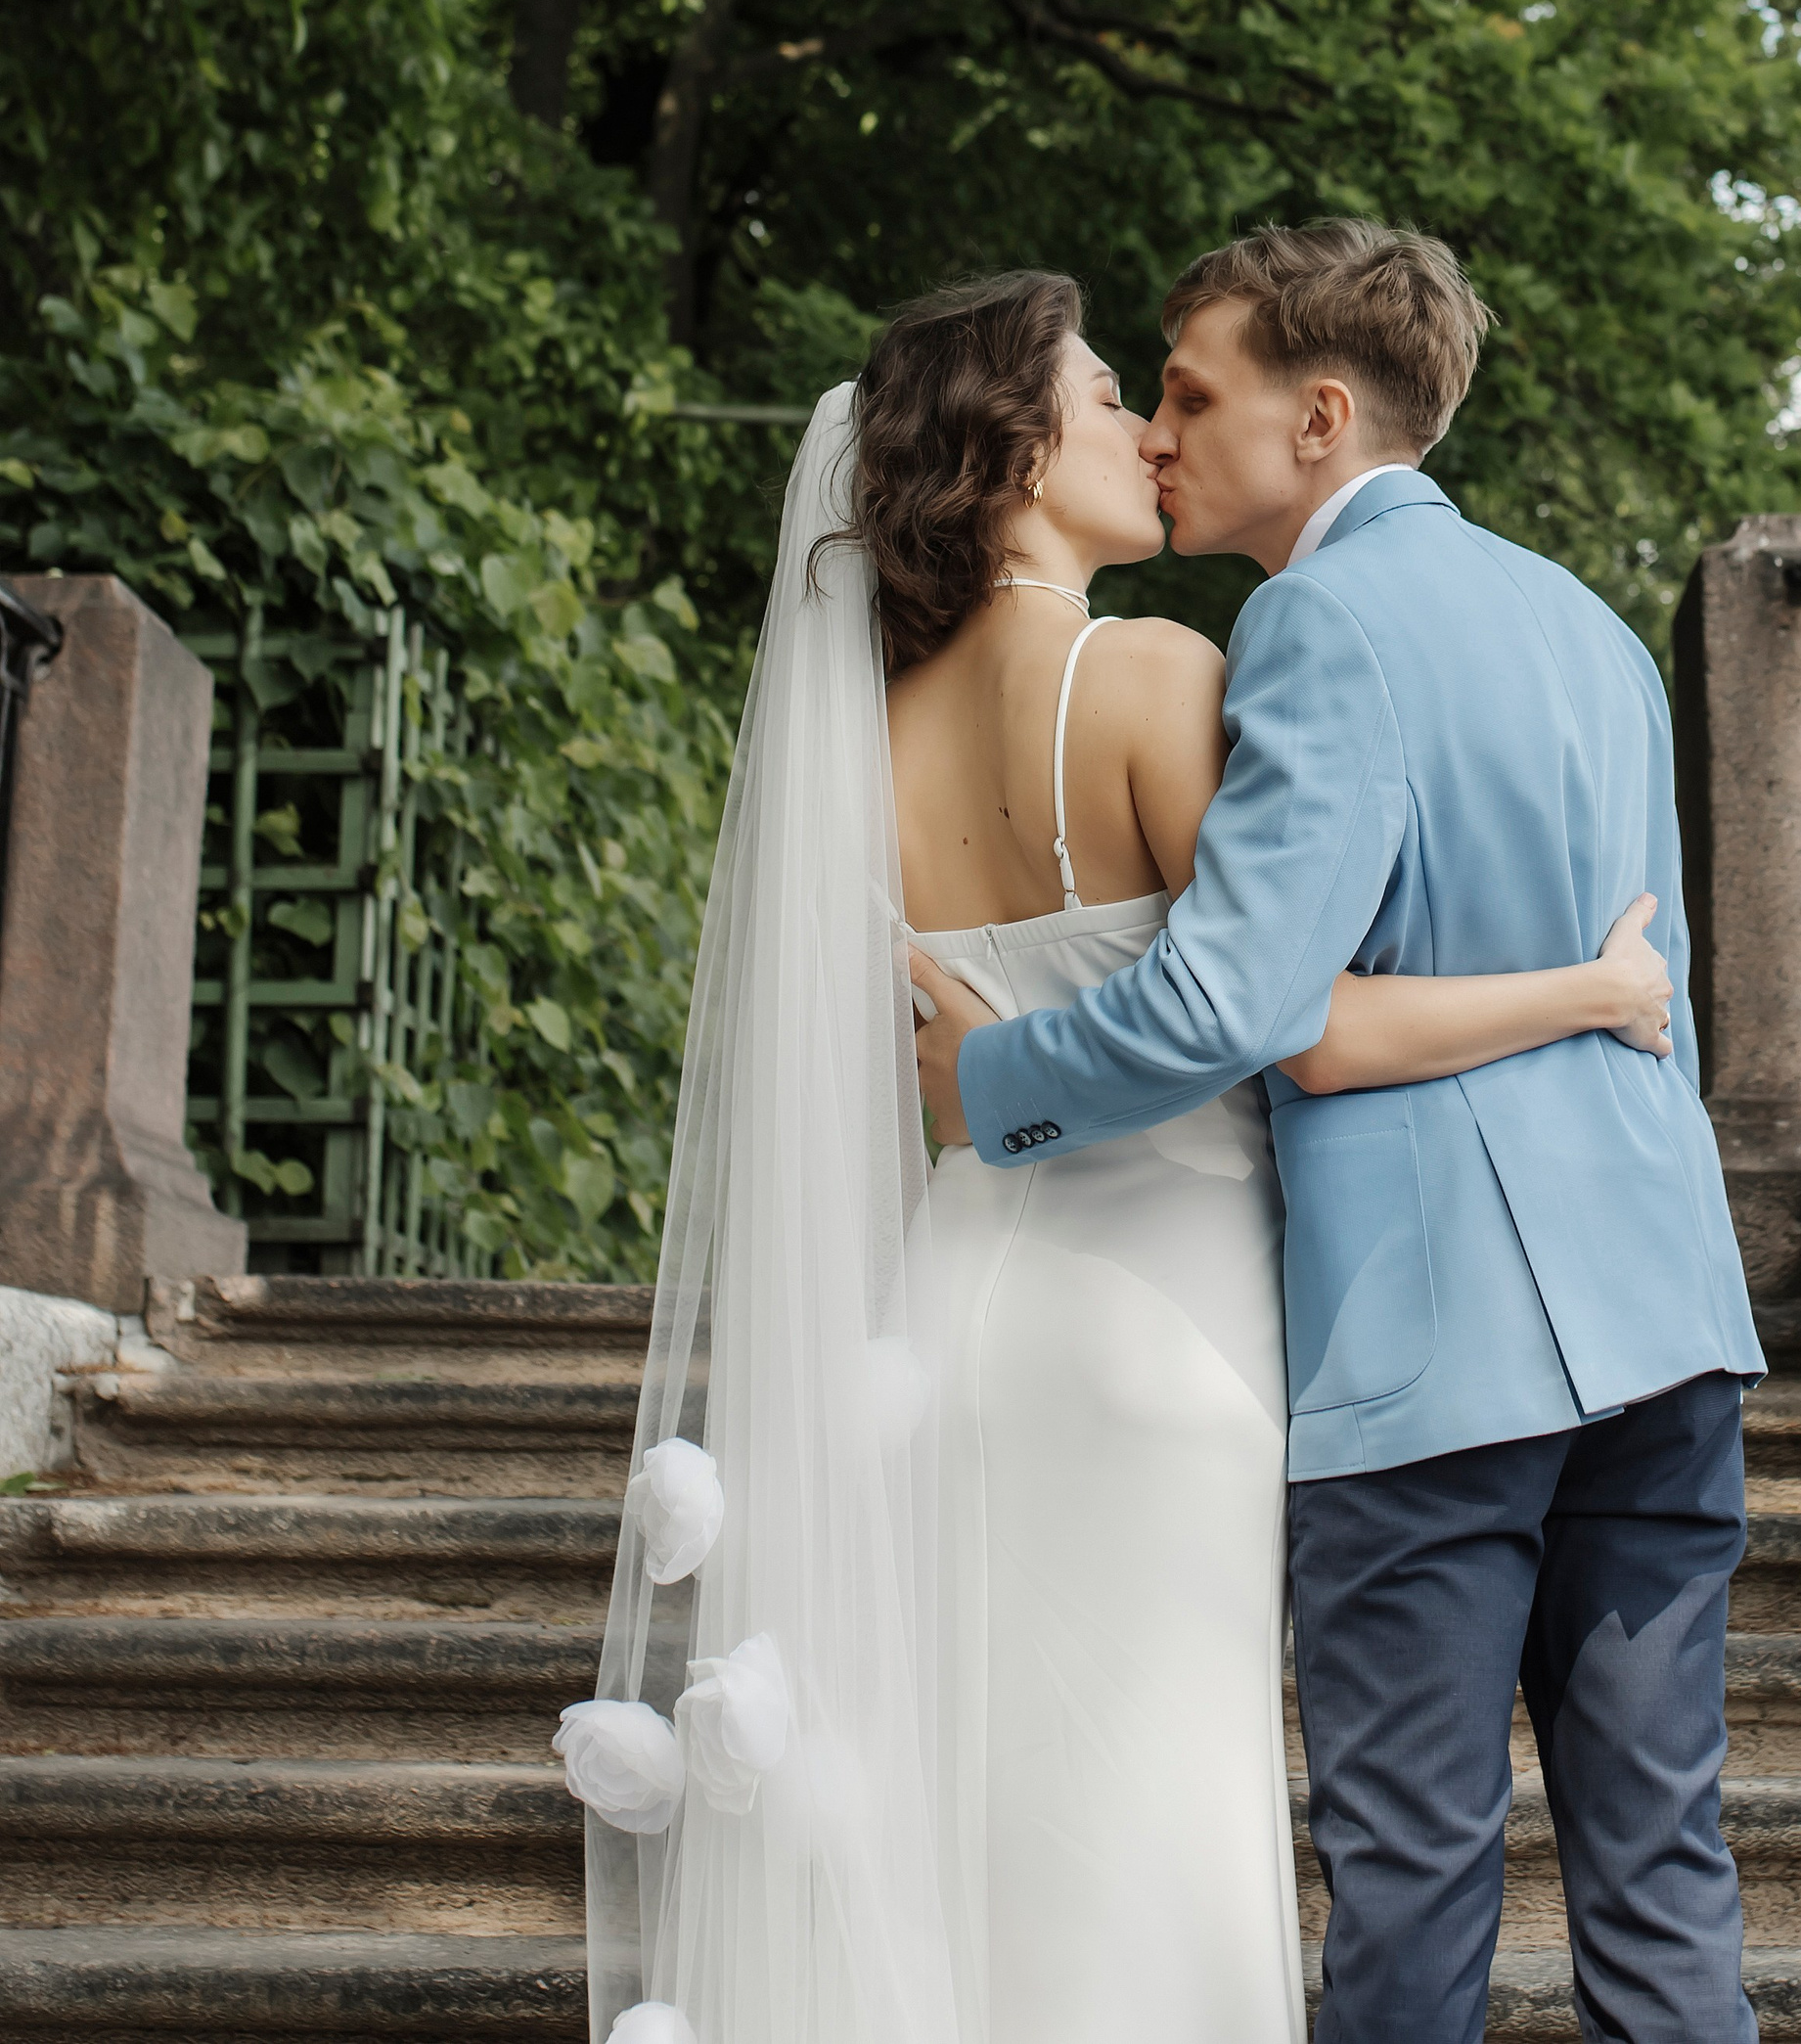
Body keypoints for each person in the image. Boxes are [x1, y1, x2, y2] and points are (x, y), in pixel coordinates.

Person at [560, 262, 1678, 2044]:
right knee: (1152, 1826)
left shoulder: (856, 735)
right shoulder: (1160, 674)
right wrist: (1595, 989)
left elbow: (915, 1066)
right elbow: (1278, 1016)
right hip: (1167, 1325)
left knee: (970, 1825)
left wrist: (982, 1072)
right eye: (1106, 404)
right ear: (1011, 458)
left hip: (948, 1325)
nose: (1150, 438)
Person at [914, 219, 1766, 2044]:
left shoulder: (1315, 620)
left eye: (1194, 392)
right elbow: (1647, 988)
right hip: (1668, 1319)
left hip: (1440, 1354)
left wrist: (985, 1090)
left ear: (1316, 417)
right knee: (1662, 1863)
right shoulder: (1599, 632)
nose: (1157, 428)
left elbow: (1241, 1005)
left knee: (1413, 1866)